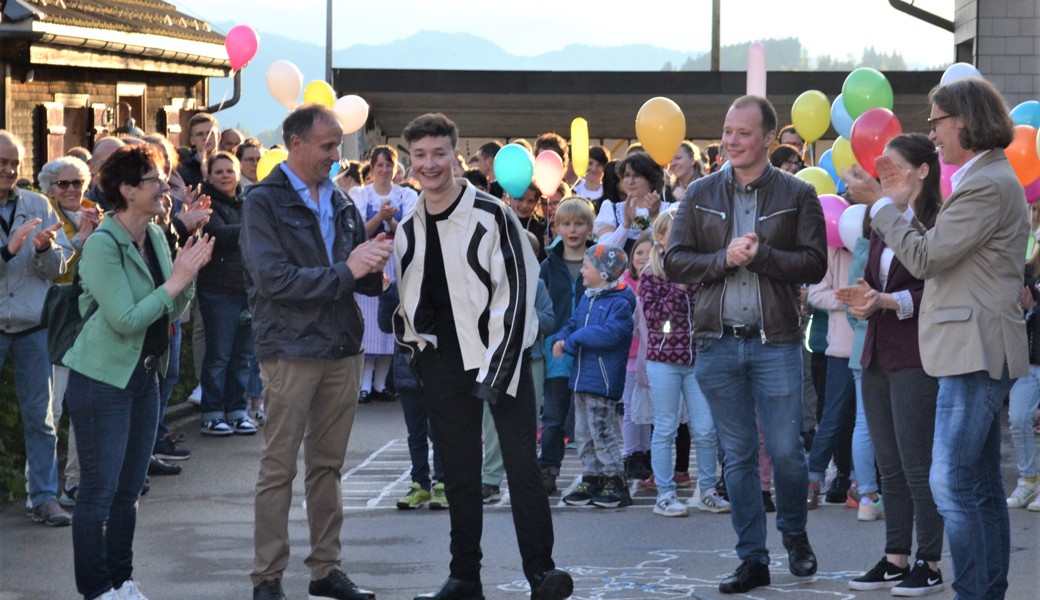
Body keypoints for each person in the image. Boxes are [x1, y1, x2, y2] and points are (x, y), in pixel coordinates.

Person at [842, 77, 1028, 600]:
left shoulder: (986, 183)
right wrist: (897, 207)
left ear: (964, 121)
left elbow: (923, 260)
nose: (933, 133)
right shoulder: (980, 179)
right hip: (966, 349)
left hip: (974, 350)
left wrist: (881, 206)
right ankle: (984, 589)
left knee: (951, 482)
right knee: (979, 485)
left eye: (937, 121)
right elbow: (938, 251)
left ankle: (973, 590)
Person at [393, 112, 572, 600]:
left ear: (456, 156)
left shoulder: (494, 215)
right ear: (411, 161)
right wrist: (418, 356)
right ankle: (464, 576)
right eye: (420, 156)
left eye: (439, 154)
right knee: (459, 472)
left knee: (521, 466)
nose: (429, 164)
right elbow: (408, 301)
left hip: (501, 355)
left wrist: (497, 368)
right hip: (443, 362)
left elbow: (518, 293)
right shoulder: (407, 225)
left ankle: (541, 571)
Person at [664, 95, 827, 594]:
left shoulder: (798, 193)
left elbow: (814, 264)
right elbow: (673, 262)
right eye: (727, 131)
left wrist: (761, 257)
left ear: (769, 139)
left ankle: (794, 533)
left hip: (775, 341)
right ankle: (752, 558)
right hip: (716, 343)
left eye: (743, 133)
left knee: (785, 452)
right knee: (736, 456)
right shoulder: (699, 192)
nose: (731, 141)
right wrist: (723, 259)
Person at [241, 104, 390, 600]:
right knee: (279, 467)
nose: (337, 155)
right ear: (296, 143)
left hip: (342, 347)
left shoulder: (341, 201)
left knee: (327, 467)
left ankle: (325, 569)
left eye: (337, 145)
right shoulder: (263, 201)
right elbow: (274, 280)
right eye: (328, 146)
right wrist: (350, 271)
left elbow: (350, 279)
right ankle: (267, 577)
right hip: (289, 348)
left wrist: (375, 272)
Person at [63, 144, 214, 600]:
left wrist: (186, 277)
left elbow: (173, 310)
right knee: (99, 491)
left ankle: (122, 580)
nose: (166, 189)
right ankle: (95, 589)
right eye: (155, 181)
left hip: (144, 377)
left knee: (129, 490)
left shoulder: (154, 236)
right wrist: (176, 281)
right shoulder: (102, 246)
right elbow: (126, 319)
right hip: (101, 381)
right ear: (127, 189)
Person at [840, 132, 945, 596]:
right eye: (883, 170)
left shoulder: (937, 221)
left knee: (917, 462)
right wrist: (864, 296)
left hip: (918, 354)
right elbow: (875, 275)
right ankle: (895, 556)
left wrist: (887, 300)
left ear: (922, 171)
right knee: (889, 464)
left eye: (894, 169)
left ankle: (931, 561)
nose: (885, 177)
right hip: (877, 351)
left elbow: (936, 288)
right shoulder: (882, 220)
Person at [0, 131, 71, 527]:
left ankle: (43, 498)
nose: (9, 170)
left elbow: (59, 268)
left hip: (31, 325)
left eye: (14, 163)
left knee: (40, 417)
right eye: (2, 162)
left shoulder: (38, 204)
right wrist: (8, 250)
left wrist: (45, 250)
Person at [641, 208, 729, 517]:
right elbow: (654, 319)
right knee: (665, 427)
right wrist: (678, 289)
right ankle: (665, 494)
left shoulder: (700, 270)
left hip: (698, 358)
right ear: (662, 239)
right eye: (677, 233)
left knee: (705, 429)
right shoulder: (652, 274)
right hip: (664, 361)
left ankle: (708, 490)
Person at [38, 155, 102, 507]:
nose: (73, 189)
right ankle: (45, 488)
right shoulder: (45, 216)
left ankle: (76, 480)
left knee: (83, 405)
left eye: (78, 182)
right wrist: (82, 238)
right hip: (57, 319)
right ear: (50, 188)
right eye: (64, 183)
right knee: (53, 409)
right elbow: (55, 270)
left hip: (89, 318)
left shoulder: (97, 212)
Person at [554, 244, 635, 508]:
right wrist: (562, 337)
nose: (582, 271)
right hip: (582, 377)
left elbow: (611, 333)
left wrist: (575, 339)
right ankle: (592, 477)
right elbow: (574, 323)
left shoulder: (620, 302)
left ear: (603, 273)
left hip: (602, 378)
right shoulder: (590, 297)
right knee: (584, 432)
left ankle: (615, 481)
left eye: (587, 266)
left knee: (601, 430)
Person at [197, 151, 258, 436]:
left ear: (237, 174)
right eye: (218, 171)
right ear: (209, 176)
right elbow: (217, 234)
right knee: (219, 356)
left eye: (229, 171)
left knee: (243, 356)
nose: (224, 176)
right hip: (218, 290)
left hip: (247, 289)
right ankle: (212, 413)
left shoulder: (248, 201)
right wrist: (253, 228)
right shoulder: (204, 202)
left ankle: (237, 410)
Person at [538, 197, 595, 493]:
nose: (573, 230)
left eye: (579, 223)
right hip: (557, 345)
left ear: (590, 226)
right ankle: (548, 468)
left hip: (591, 345)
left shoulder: (599, 260)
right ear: (557, 227)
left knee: (591, 415)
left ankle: (595, 473)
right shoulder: (548, 265)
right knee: (554, 414)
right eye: (567, 224)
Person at [354, 145, 417, 403]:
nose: (384, 170)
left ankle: (381, 383)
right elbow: (358, 231)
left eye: (388, 165)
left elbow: (409, 230)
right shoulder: (360, 194)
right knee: (369, 320)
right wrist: (380, 215)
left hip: (395, 260)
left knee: (390, 319)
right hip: (368, 258)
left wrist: (391, 221)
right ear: (371, 168)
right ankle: (364, 383)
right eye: (379, 165)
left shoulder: (406, 194)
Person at [1006, 242, 1040, 512]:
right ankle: (1029, 479)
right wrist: (1026, 307)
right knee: (1017, 418)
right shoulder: (1029, 271)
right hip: (1030, 363)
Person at [595, 152, 672, 253]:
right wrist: (625, 225)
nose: (630, 181)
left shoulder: (670, 210)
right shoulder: (611, 209)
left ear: (651, 179)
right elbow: (604, 252)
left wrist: (654, 217)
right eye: (626, 175)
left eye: (637, 176)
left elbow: (671, 249)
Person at [177, 112, 219, 190]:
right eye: (200, 134)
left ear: (218, 136)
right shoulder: (183, 173)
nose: (205, 138)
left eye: (210, 133)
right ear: (192, 140)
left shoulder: (230, 166)